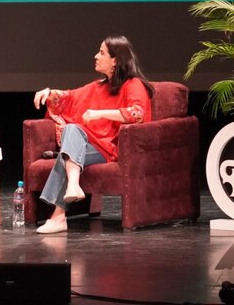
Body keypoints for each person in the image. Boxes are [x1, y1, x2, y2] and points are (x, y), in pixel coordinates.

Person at [32, 35, 153, 234]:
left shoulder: (133, 84)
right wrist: (49, 92)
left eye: (102, 53)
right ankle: (72, 188)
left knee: (66, 154)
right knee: (71, 130)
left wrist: (100, 113)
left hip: (107, 149)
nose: (96, 56)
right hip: (85, 146)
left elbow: (137, 114)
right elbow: (68, 97)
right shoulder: (98, 86)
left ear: (115, 60)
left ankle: (59, 215)